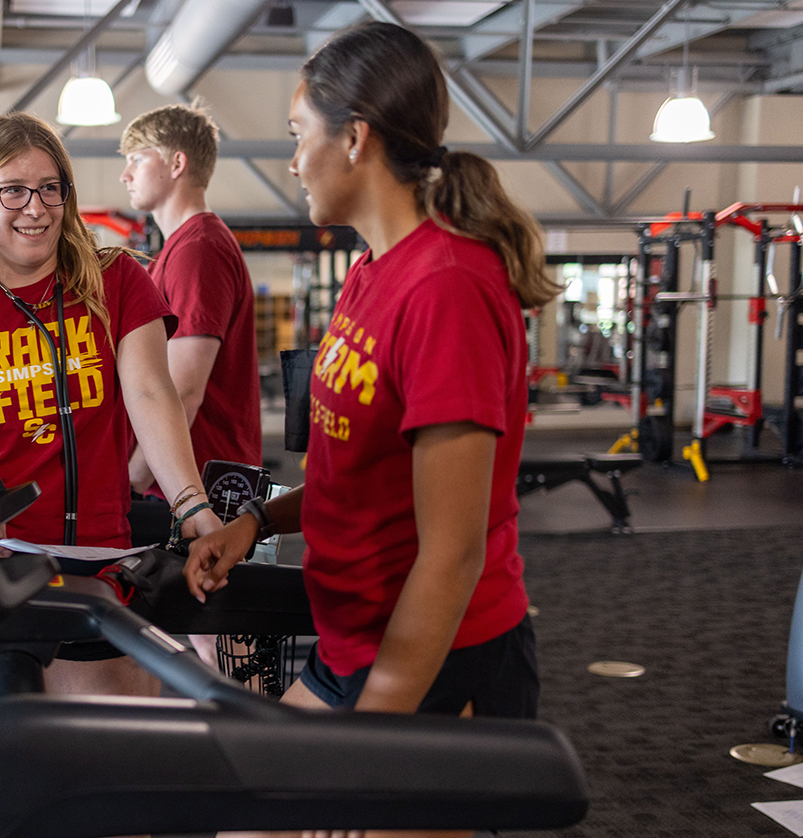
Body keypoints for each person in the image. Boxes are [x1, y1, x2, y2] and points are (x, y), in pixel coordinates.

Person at [186, 17, 562, 756]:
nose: (293, 162)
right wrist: (256, 523)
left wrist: (376, 727)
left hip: (434, 657)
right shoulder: (369, 272)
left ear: (355, 139)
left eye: (300, 135)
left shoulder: (447, 287)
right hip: (352, 643)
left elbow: (452, 553)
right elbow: (356, 475)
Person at [0, 112, 223, 695]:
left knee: (123, 744)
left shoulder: (116, 280)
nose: (35, 207)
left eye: (49, 187)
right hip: (7, 563)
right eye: (12, 189)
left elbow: (150, 392)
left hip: (106, 556)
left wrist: (193, 509)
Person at [119, 103, 261, 494]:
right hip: (181, 482)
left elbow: (183, 389)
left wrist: (132, 482)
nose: (125, 174)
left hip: (191, 487)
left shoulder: (198, 250)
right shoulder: (178, 250)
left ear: (177, 163)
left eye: (137, 158)